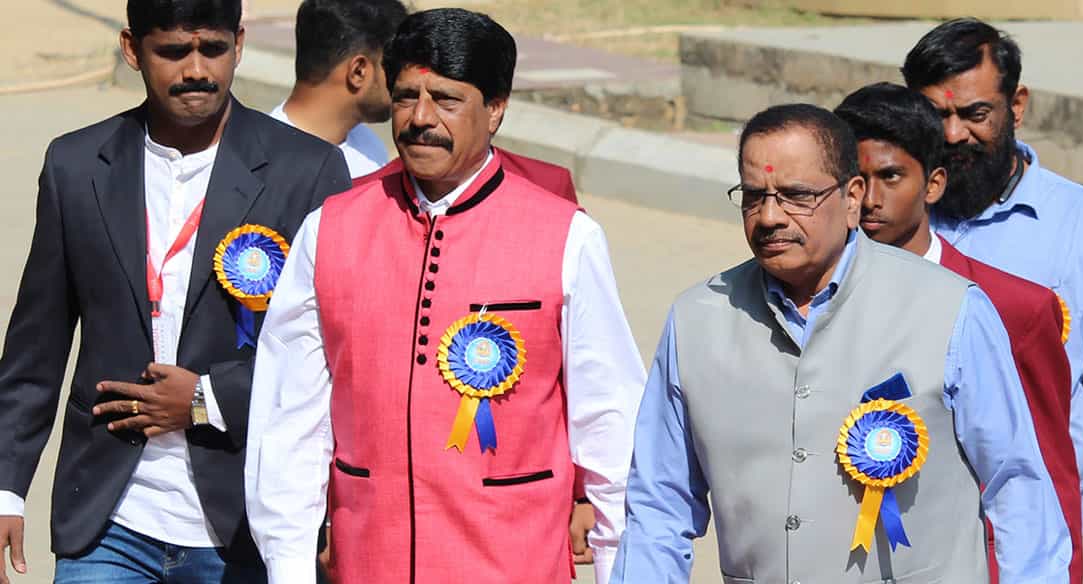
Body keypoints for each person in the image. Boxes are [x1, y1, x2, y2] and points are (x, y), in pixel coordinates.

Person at [244, 8, 644, 584]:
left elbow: (611, 427)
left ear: (496, 109)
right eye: (407, 97)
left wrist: (618, 569)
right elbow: (288, 420)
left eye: (447, 100)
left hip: (515, 565)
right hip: (368, 564)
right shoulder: (330, 228)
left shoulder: (566, 237)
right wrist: (289, 568)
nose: (420, 119)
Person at [610, 103, 1070, 583]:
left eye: (796, 196)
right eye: (753, 196)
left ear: (853, 199)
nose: (769, 217)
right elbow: (659, 507)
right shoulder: (697, 319)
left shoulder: (952, 309)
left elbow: (1019, 490)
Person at [0, 1, 350, 583]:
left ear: (239, 44)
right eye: (172, 51)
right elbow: (35, 347)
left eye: (212, 49)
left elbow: (329, 349)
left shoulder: (306, 170)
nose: (196, 70)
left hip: (246, 525)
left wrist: (208, 397)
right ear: (132, 49)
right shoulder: (76, 164)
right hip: (108, 525)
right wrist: (7, 489)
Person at [836, 81, 1083, 583]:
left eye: (890, 177)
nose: (870, 200)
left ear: (933, 184)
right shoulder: (800, 303)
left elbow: (1042, 483)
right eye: (854, 182)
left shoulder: (1016, 308)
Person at [903, 19, 1083, 582]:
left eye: (975, 114)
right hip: (904, 544)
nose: (952, 135)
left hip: (1034, 554)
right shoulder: (891, 222)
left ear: (1016, 105)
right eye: (935, 115)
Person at [270, 0, 404, 178]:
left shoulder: (370, 146)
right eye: (393, 66)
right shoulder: (267, 163)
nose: (401, 81)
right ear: (358, 71)